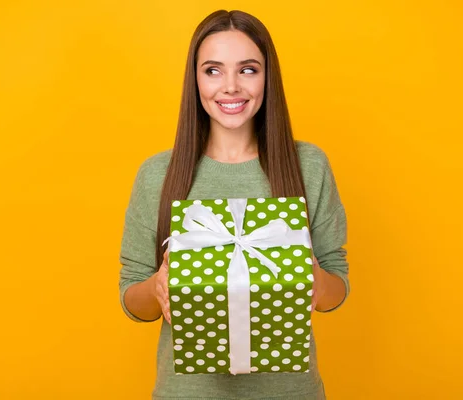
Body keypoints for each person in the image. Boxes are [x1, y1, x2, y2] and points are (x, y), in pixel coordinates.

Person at [119, 9, 349, 399]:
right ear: (195, 80)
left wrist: (313, 280)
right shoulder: (158, 174)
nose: (230, 87)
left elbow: (337, 286)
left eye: (247, 69)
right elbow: (132, 299)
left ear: (267, 78)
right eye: (212, 70)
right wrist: (157, 287)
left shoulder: (308, 166)